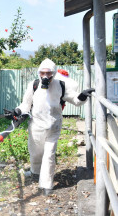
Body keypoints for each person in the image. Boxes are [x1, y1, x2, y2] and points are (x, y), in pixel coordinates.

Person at [6, 58, 94, 196]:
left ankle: (46, 184)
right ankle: (35, 172)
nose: (45, 76)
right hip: (36, 125)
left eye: (49, 73)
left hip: (54, 126)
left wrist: (82, 96)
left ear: (54, 73)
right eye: (42, 73)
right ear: (38, 72)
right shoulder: (34, 85)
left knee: (49, 155)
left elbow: (75, 99)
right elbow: (26, 104)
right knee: (35, 153)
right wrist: (17, 111)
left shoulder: (61, 85)